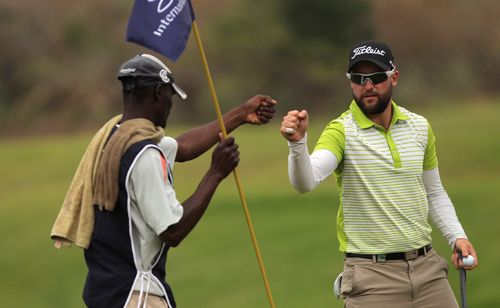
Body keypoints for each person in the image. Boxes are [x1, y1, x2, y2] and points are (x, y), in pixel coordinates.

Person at [51, 53, 276, 308]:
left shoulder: (112, 140)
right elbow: (173, 230)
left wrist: (242, 114)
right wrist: (215, 173)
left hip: (105, 293)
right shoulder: (143, 154)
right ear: (159, 92)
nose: (171, 104)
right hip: (136, 295)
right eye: (171, 95)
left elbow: (183, 146)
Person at [280, 41, 477, 307]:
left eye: (376, 77)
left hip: (429, 271)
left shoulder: (419, 126)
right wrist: (298, 144)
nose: (368, 85)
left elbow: (433, 191)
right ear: (351, 82)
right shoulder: (340, 131)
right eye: (359, 78)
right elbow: (306, 181)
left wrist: (457, 236)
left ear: (393, 77)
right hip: (371, 279)